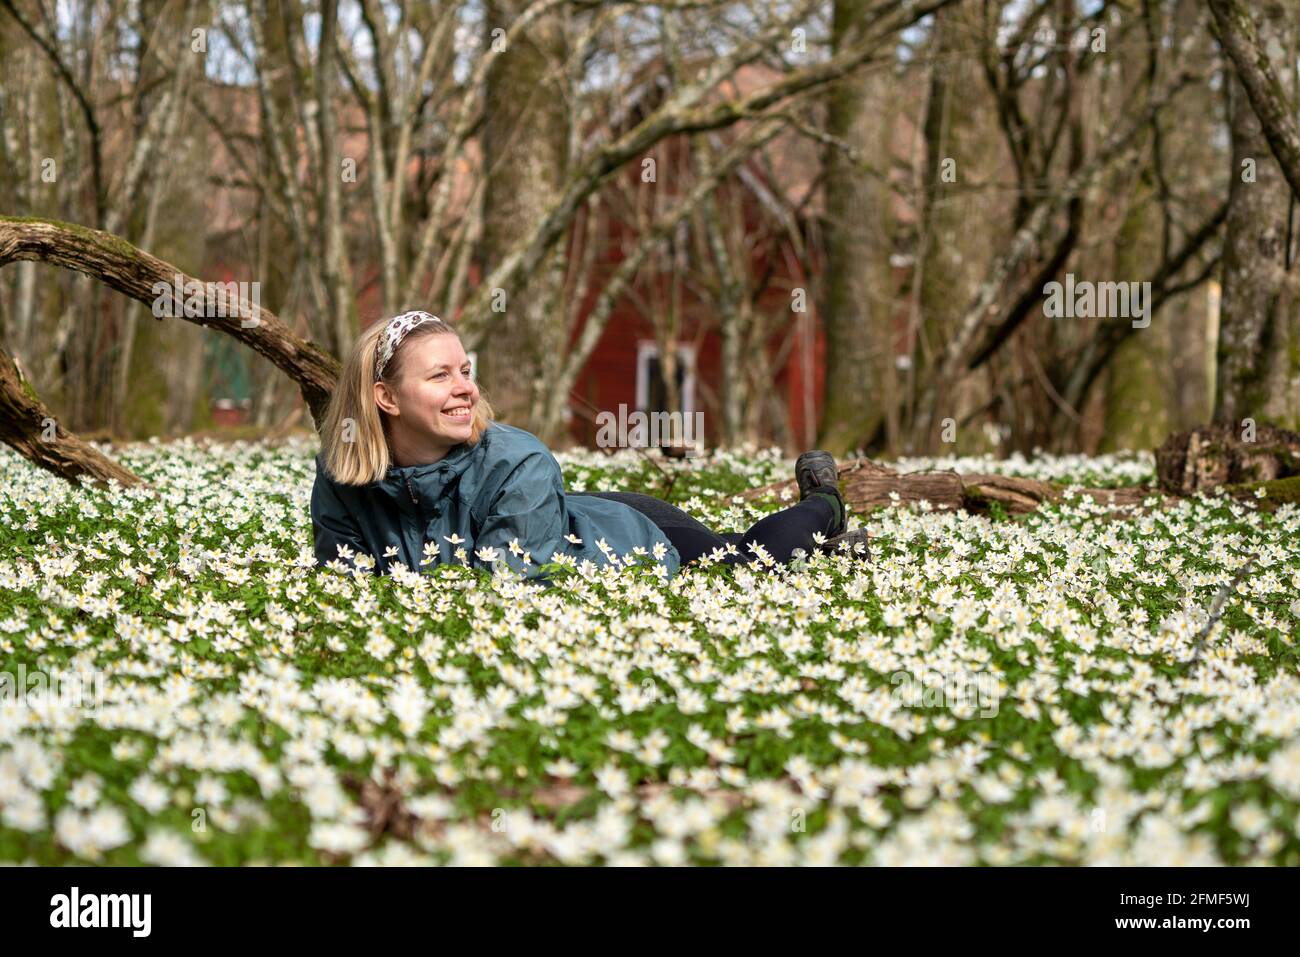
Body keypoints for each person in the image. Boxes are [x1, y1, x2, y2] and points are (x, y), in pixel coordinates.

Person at [310, 310, 868, 580]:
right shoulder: (344, 474)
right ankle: (832, 548)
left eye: (466, 370)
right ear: (385, 397)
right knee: (734, 548)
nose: (466, 388)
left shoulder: (517, 460)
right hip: (567, 510)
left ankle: (822, 501)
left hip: (627, 535)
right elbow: (346, 584)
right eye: (440, 376)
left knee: (747, 561)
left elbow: (507, 588)